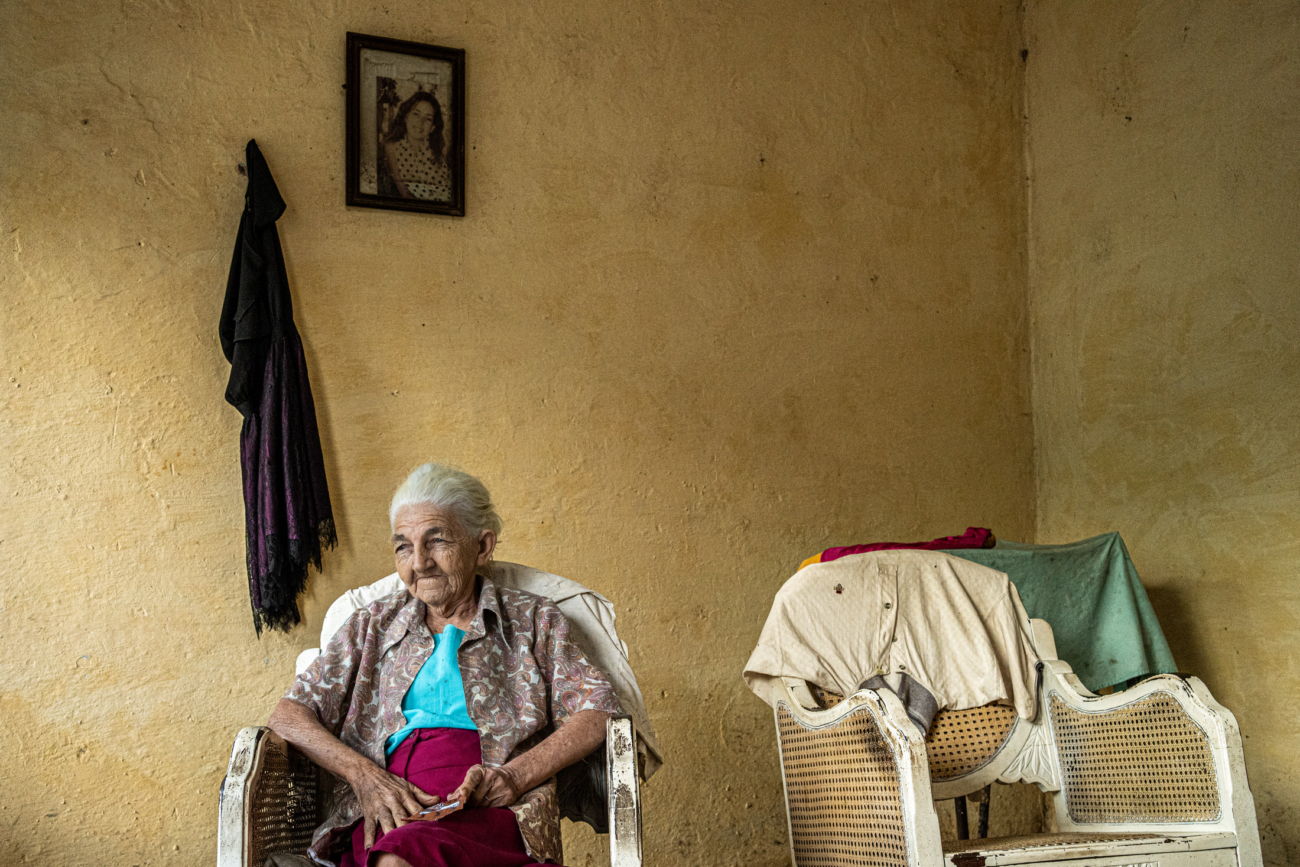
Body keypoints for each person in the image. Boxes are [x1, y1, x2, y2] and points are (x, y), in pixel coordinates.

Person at [269, 463, 621, 867]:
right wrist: (363, 776)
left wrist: (515, 776)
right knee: (393, 851)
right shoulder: (371, 624)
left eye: (436, 541)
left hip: (490, 805)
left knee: (399, 859)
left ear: (483, 546)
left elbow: (597, 709)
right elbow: (288, 714)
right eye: (403, 546)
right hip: (388, 803)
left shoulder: (533, 620)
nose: (419, 562)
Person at [381, 91, 452, 201]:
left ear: (432, 127)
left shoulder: (437, 150)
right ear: (405, 116)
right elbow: (405, 193)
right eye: (416, 114)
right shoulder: (392, 147)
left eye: (428, 118)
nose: (420, 122)